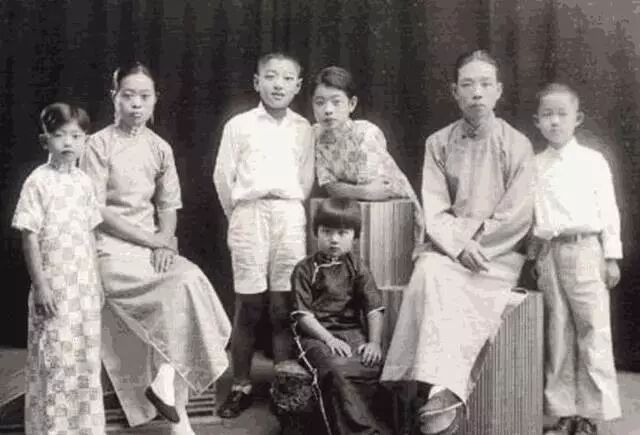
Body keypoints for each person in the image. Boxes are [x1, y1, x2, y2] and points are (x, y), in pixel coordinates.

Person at [380, 50, 535, 434]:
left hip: (495, 253)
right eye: (468, 84)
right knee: (428, 273)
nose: (477, 93)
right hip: (449, 246)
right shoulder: (438, 143)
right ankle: (431, 391)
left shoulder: (518, 145)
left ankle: (440, 393)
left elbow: (517, 213)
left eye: (485, 84)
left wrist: (476, 246)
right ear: (454, 91)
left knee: (459, 284)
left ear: (498, 90)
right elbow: (435, 207)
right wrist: (458, 245)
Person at [80, 62, 231, 434]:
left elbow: (168, 207)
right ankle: (177, 414)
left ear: (155, 100)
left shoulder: (159, 147)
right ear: (114, 97)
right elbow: (97, 210)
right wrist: (155, 242)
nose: (136, 104)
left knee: (191, 279)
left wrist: (165, 244)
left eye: (144, 97)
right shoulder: (97, 145)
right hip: (110, 251)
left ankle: (166, 383)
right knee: (177, 291)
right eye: (128, 96)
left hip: (152, 247)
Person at [213, 52, 314, 418]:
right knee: (249, 304)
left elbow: (306, 178)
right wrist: (239, 215)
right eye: (270, 76)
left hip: (288, 215)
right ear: (257, 82)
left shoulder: (304, 128)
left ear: (298, 86)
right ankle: (240, 385)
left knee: (283, 306)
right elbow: (223, 177)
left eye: (287, 78)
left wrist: (289, 203)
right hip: (249, 214)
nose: (278, 85)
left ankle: (283, 388)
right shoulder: (238, 125)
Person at [531, 83, 622, 435]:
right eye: (547, 115)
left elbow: (609, 210)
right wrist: (535, 254)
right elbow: (534, 213)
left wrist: (611, 256)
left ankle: (590, 415)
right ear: (537, 121)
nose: (554, 122)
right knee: (557, 332)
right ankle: (563, 412)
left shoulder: (592, 161)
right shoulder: (535, 165)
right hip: (550, 253)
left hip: (586, 250)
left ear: (577, 118)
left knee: (592, 330)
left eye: (562, 114)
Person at [12, 103, 105, 434]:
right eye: (60, 135)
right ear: (45, 140)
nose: (68, 142)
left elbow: (90, 234)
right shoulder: (38, 182)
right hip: (53, 288)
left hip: (84, 288)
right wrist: (41, 286)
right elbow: (29, 236)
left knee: (85, 360)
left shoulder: (84, 183)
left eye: (76, 136)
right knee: (55, 360)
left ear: (85, 141)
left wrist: (97, 283)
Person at [290, 197, 389, 434]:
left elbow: (373, 307)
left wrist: (374, 342)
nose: (334, 239)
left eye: (342, 233)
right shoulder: (304, 269)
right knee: (334, 371)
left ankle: (383, 428)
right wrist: (329, 339)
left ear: (355, 236)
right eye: (326, 232)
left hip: (351, 332)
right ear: (316, 232)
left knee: (375, 366)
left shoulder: (357, 266)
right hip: (315, 336)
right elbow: (303, 316)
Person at [312, 66, 424, 244]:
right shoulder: (317, 135)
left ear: (352, 104)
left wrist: (357, 191)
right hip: (359, 204)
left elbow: (377, 189)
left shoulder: (366, 133)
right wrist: (362, 192)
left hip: (395, 207)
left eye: (336, 102)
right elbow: (332, 188)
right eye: (319, 102)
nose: (328, 110)